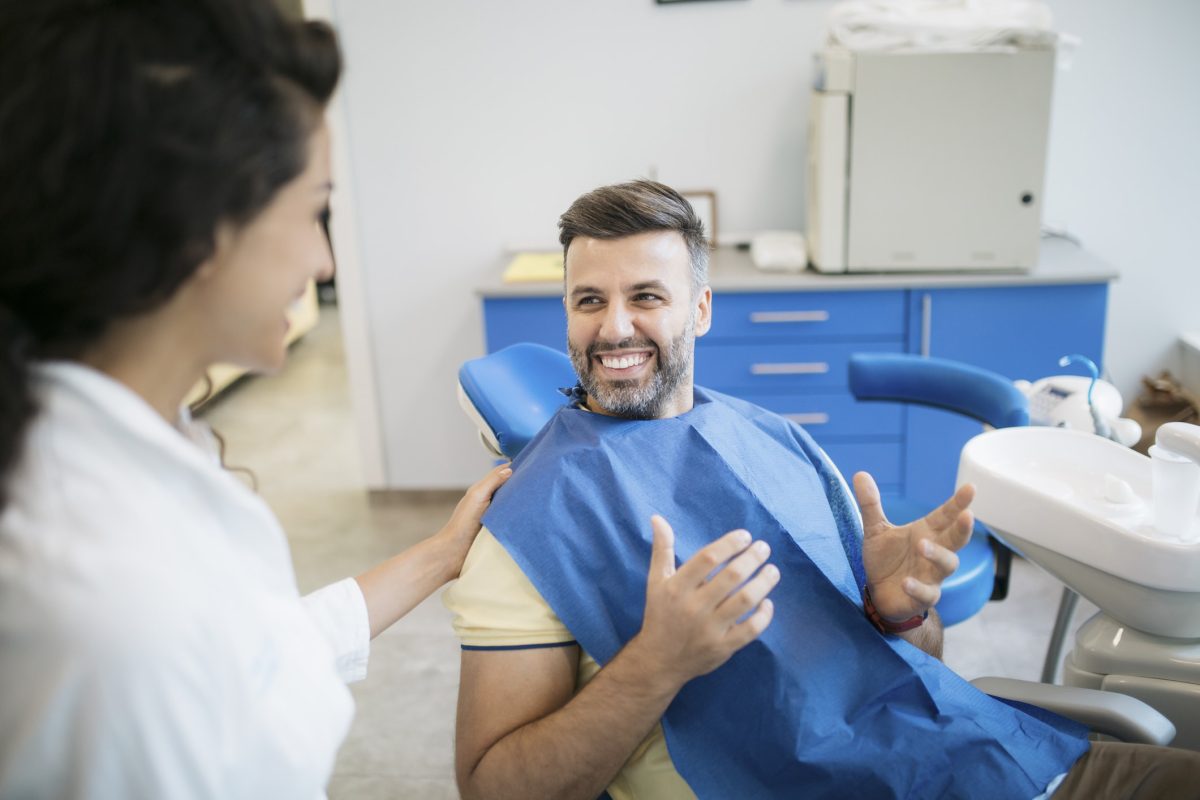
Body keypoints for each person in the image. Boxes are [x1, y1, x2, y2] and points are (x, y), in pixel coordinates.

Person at [444, 180, 1200, 799]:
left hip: (991, 760)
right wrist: (657, 663)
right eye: (588, 301)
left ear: (700, 309)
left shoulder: (773, 441)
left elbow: (919, 663)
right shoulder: (535, 521)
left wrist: (900, 612)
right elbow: (491, 786)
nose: (614, 329)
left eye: (647, 297)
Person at [0, 2, 509, 796]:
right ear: (198, 225)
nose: (327, 261)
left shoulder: (145, 441)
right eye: (315, 211)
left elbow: (256, 654)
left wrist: (442, 556)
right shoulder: (105, 604)